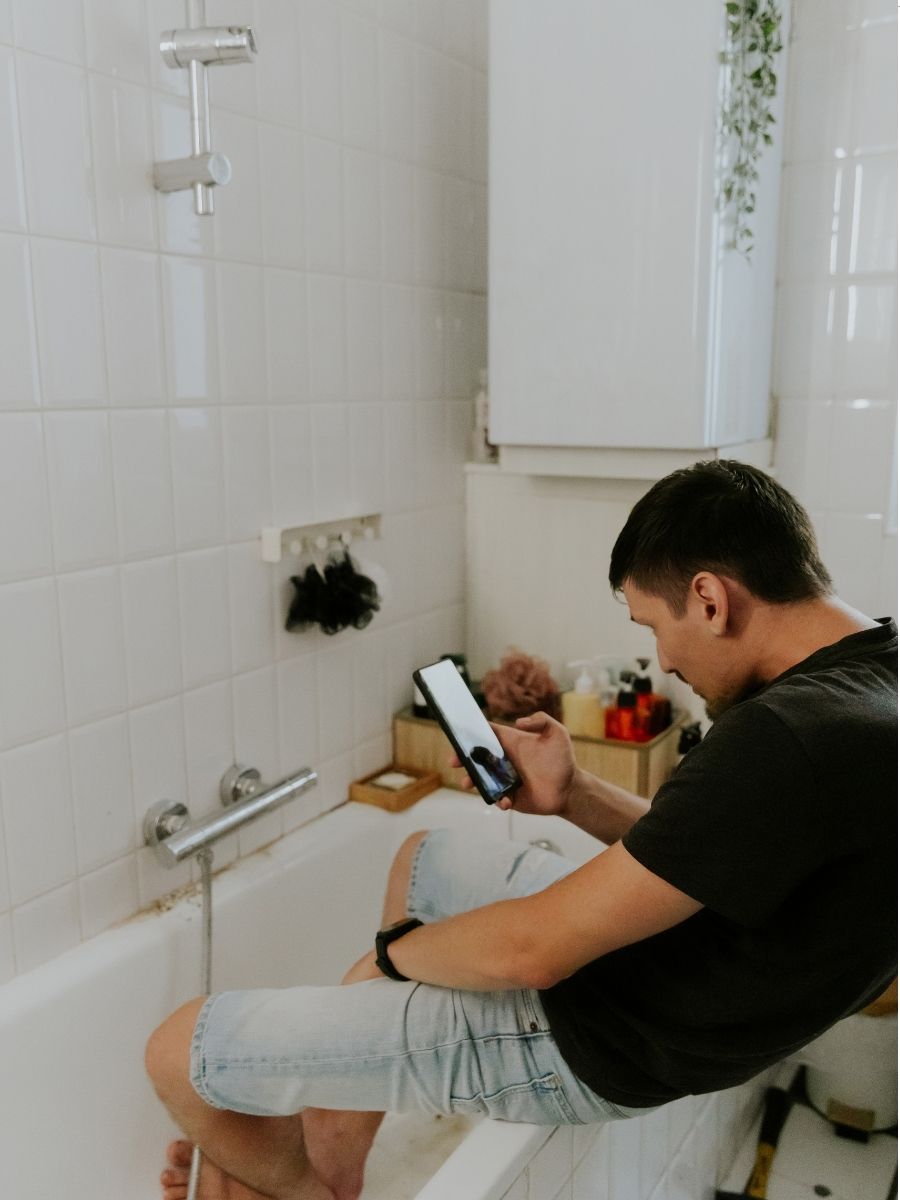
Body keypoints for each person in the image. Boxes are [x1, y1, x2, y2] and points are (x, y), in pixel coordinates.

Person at [146, 460, 897, 1200]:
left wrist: (394, 956)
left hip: (603, 1038)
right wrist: (573, 794)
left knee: (179, 1051)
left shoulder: (784, 735)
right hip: (677, 967)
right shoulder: (871, 680)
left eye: (653, 628)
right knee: (423, 858)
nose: (664, 662)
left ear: (709, 598)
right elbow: (717, 848)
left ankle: (304, 1189)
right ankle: (332, 1165)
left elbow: (533, 953)